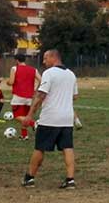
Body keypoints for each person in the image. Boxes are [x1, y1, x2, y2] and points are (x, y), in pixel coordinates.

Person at [19, 49, 79, 189]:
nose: (43, 61)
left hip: (50, 118)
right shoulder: (71, 74)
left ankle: (29, 178)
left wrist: (29, 115)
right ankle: (70, 179)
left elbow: (40, 95)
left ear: (53, 57)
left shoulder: (49, 73)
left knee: (40, 148)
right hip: (67, 118)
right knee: (67, 147)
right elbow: (75, 96)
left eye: (45, 58)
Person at [6, 53, 40, 141]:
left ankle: (34, 124)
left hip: (18, 96)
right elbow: (41, 80)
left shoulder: (14, 68)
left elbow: (11, 82)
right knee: (25, 116)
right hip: (29, 97)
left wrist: (7, 82)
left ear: (17, 60)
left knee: (17, 116)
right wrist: (36, 90)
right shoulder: (33, 70)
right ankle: (24, 135)